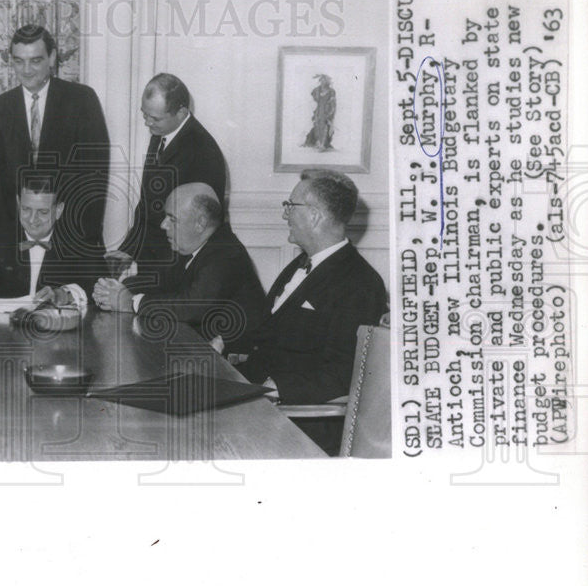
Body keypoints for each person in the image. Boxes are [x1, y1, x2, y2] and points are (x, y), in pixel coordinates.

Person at [235, 169, 387, 405]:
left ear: (315, 216)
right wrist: (224, 343)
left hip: (294, 416)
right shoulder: (301, 263)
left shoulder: (361, 283)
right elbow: (271, 331)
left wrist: (276, 389)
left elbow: (345, 372)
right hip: (252, 391)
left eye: (290, 206)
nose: (285, 215)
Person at [0, 24, 109, 251]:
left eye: (36, 60)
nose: (27, 70)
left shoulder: (82, 100)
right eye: (19, 61)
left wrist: (78, 238)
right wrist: (4, 239)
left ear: (52, 58)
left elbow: (95, 176)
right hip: (17, 241)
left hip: (74, 237)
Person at [94, 182, 267, 348]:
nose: (163, 225)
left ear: (200, 223)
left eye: (172, 219)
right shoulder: (195, 247)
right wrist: (113, 291)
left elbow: (192, 307)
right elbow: (164, 283)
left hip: (237, 363)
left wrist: (129, 302)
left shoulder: (226, 253)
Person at [111, 73, 227, 291]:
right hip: (155, 261)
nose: (147, 123)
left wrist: (157, 278)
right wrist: (127, 250)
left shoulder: (203, 151)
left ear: (182, 112)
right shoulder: (163, 133)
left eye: (155, 118)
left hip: (176, 268)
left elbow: (195, 227)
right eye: (144, 115)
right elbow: (148, 202)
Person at [0, 183, 106, 311]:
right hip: (10, 335)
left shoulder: (79, 241)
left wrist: (64, 295)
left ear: (58, 210)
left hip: (61, 337)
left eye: (43, 212)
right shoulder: (4, 235)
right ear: (18, 203)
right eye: (26, 209)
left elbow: (98, 285)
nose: (33, 220)